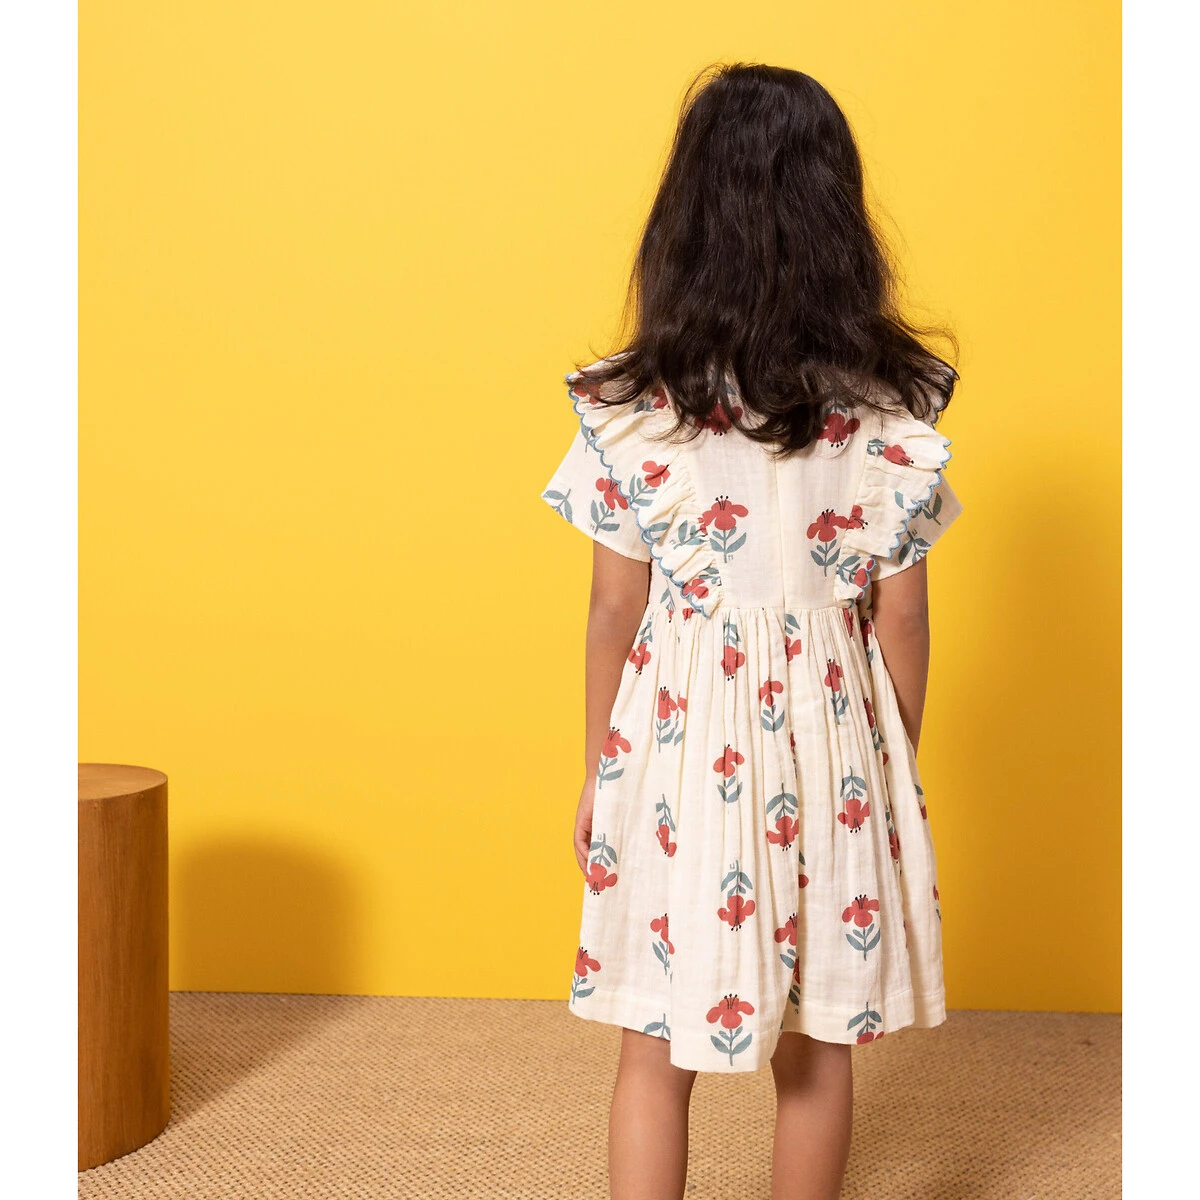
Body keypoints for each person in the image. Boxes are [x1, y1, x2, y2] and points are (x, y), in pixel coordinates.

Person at [539, 62, 963, 1200]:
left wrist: (601, 770)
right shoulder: (889, 410)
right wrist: (887, 765)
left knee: (652, 1044)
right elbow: (905, 619)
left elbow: (614, 608)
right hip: (832, 741)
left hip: (680, 744)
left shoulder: (635, 407)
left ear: (685, 218)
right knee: (816, 1050)